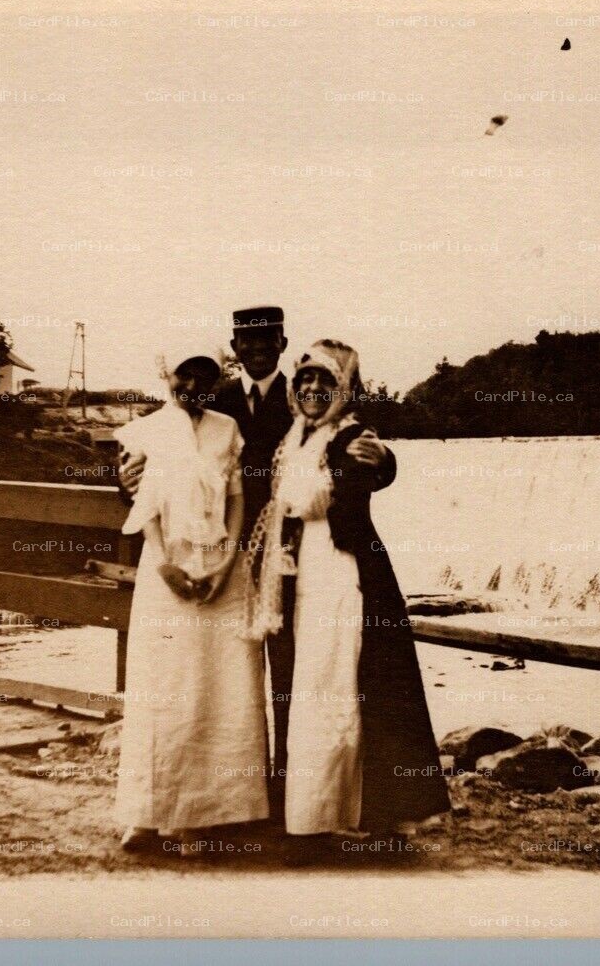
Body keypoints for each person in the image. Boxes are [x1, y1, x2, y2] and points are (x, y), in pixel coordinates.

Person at [121, 306, 396, 825]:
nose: (256, 350)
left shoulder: (304, 395)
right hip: (217, 564)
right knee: (226, 686)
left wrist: (384, 462)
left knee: (296, 678)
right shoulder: (212, 399)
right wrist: (126, 483)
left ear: (282, 342)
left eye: (267, 341)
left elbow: (356, 444)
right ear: (234, 345)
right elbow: (153, 470)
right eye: (246, 342)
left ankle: (292, 803)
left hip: (289, 566)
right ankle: (239, 802)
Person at [240, 340, 450, 844]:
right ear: (294, 388)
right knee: (297, 689)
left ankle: (349, 814)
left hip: (343, 572)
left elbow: (353, 480)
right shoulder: (290, 436)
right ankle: (300, 813)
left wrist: (383, 461)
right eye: (306, 381)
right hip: (292, 578)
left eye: (325, 383)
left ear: (343, 390)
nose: (313, 390)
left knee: (341, 686)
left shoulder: (352, 435)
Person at [112, 342, 269, 855]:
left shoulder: (227, 428)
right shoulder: (146, 431)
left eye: (203, 376)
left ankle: (203, 816)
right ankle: (147, 811)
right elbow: (146, 507)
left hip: (224, 570)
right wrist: (164, 565)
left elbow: (240, 498)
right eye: (183, 376)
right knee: (164, 688)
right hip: (168, 568)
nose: (192, 387)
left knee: (220, 692)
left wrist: (228, 565)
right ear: (166, 375)